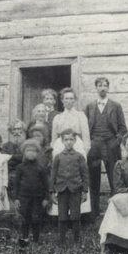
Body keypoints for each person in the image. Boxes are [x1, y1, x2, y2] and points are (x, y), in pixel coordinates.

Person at [84, 77, 127, 220]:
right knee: (93, 178)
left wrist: (116, 141)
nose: (102, 88)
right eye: (99, 85)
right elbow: (85, 128)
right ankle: (93, 213)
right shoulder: (90, 107)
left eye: (105, 85)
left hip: (111, 144)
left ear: (108, 88)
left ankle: (115, 213)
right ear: (96, 88)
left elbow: (122, 128)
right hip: (94, 144)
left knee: (114, 177)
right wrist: (88, 143)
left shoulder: (116, 106)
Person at [49, 87, 91, 216]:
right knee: (61, 175)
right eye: (66, 98)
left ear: (75, 100)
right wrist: (53, 152)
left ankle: (79, 212)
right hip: (60, 146)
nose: (69, 101)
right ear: (62, 100)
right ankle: (60, 212)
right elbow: (53, 138)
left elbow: (86, 137)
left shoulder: (81, 116)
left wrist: (84, 151)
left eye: (71, 98)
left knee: (76, 175)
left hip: (77, 145)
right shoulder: (57, 117)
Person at [49, 129, 89, 244]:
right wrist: (51, 191)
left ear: (75, 140)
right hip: (62, 190)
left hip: (75, 189)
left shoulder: (79, 157)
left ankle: (76, 239)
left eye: (71, 139)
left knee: (75, 215)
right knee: (62, 215)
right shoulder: (58, 157)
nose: (69, 142)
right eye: (66, 140)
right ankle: (62, 239)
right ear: (62, 141)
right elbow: (53, 175)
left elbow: (85, 175)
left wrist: (85, 191)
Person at [14, 139, 50, 245]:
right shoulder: (20, 168)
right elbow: (16, 184)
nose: (31, 153)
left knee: (36, 218)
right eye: (28, 151)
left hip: (37, 197)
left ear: (37, 153)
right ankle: (25, 238)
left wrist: (46, 198)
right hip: (24, 197)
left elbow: (46, 185)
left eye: (33, 151)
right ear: (24, 153)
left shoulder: (40, 168)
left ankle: (36, 239)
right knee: (25, 218)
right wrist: (16, 198)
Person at [3, 119, 27, 199]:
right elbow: (6, 162)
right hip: (10, 175)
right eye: (14, 129)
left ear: (23, 130)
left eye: (19, 129)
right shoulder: (5, 146)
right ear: (10, 131)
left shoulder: (27, 145)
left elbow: (26, 159)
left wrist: (12, 156)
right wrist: (19, 158)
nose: (17, 132)